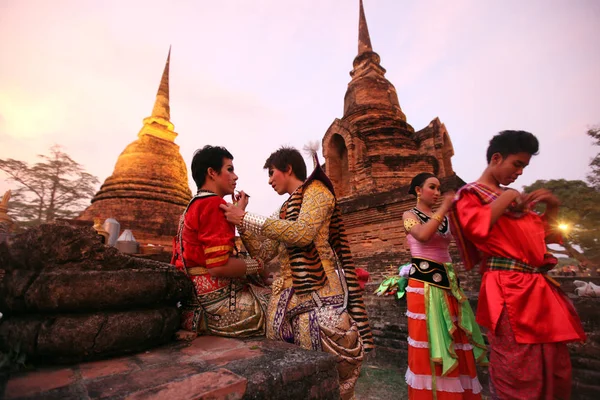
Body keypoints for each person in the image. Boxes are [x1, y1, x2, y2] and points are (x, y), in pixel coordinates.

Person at [220, 146, 373, 400]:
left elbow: (302, 233)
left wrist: (246, 218)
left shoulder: (318, 192)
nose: (269, 181)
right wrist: (242, 226)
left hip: (319, 296)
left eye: (272, 173)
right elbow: (265, 251)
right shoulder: (284, 209)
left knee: (329, 380)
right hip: (286, 300)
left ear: (288, 169)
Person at [450, 130, 586, 399]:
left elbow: (540, 237)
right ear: (496, 158)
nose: (520, 172)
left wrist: (552, 207)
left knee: (552, 362)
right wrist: (509, 196)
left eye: (523, 167)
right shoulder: (471, 194)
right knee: (518, 367)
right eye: (517, 164)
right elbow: (476, 228)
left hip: (537, 288)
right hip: (508, 288)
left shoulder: (512, 200)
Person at [402, 172, 487, 399]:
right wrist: (444, 208)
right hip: (424, 287)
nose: (437, 193)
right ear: (418, 190)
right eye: (432, 187)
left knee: (455, 340)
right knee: (429, 340)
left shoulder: (447, 218)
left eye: (439, 188)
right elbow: (422, 235)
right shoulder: (409, 215)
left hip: (450, 285)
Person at [171, 145, 270, 338]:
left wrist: (237, 215)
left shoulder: (192, 207)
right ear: (212, 173)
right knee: (283, 305)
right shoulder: (213, 204)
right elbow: (218, 267)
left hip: (193, 306)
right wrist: (258, 265)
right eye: (230, 169)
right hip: (218, 308)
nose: (235, 177)